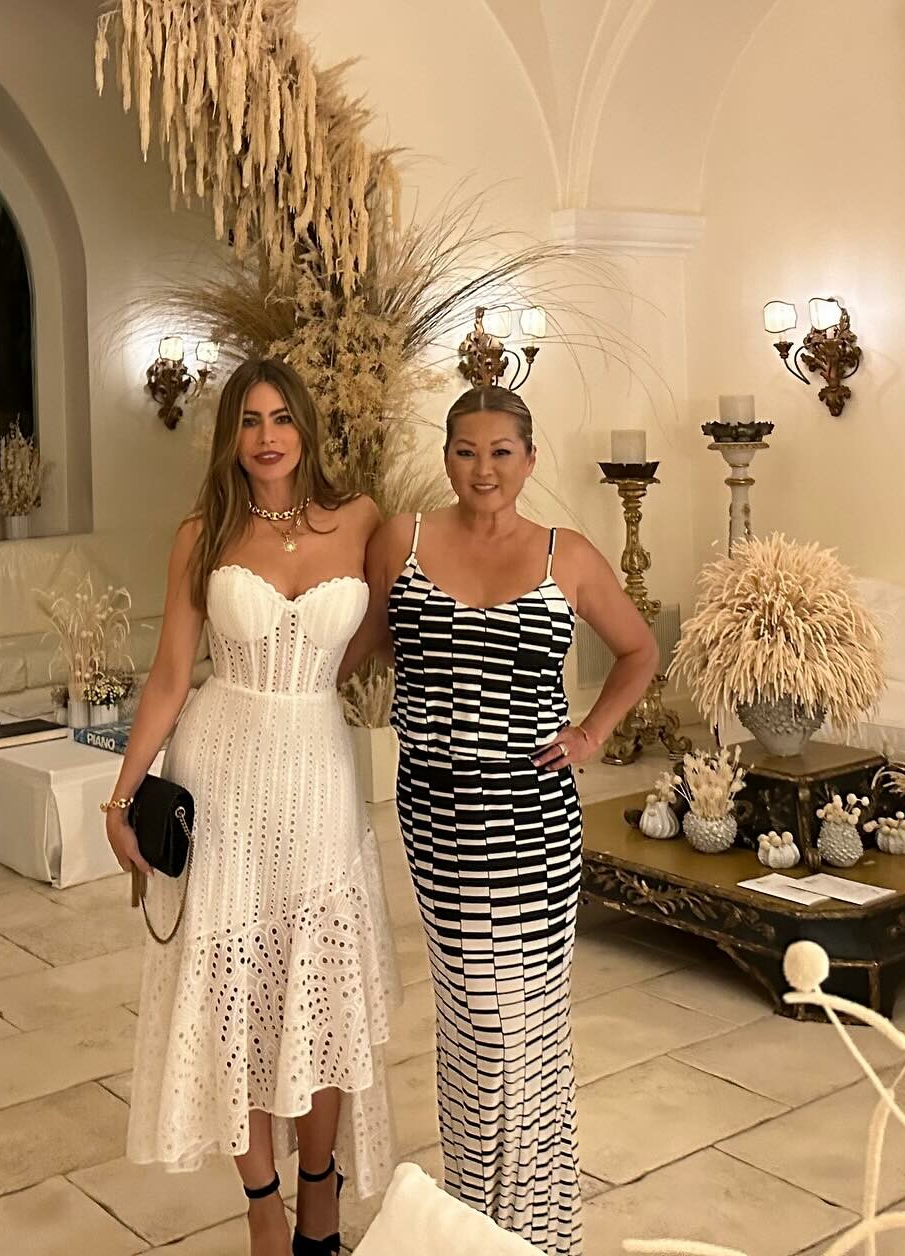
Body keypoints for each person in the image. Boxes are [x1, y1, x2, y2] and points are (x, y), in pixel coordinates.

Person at [355, 385, 658, 1256]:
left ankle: (534, 1231)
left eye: (499, 452)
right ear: (446, 457)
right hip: (438, 815)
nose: (482, 469)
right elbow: (352, 647)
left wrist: (591, 733)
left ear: (529, 459)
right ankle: (474, 1222)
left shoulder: (570, 555)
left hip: (533, 816)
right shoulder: (403, 541)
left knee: (518, 1023)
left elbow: (640, 649)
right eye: (465, 451)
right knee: (470, 1019)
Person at [105, 358, 398, 1256]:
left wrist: (318, 680)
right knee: (234, 991)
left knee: (321, 986)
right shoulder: (202, 535)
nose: (267, 437)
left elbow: (383, 631)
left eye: (281, 418)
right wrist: (122, 795)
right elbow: (169, 675)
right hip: (223, 771)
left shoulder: (362, 520)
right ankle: (261, 1201)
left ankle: (320, 1188)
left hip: (317, 771)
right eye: (248, 421)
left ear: (305, 427)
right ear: (230, 437)